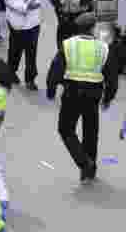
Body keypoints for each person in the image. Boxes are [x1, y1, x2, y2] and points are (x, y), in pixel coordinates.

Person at [46, 14, 120, 180]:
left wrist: (51, 90)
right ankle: (90, 170)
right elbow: (112, 77)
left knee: (65, 129)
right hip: (93, 94)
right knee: (91, 132)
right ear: (93, 28)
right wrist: (108, 98)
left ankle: (84, 162)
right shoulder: (103, 47)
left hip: (72, 92)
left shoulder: (68, 44)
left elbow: (56, 69)